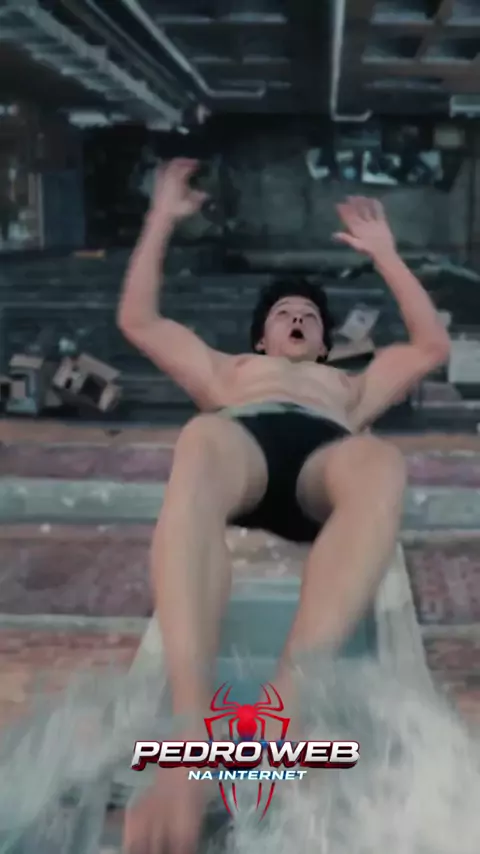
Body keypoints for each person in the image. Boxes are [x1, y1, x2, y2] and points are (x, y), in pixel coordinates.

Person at [118, 158, 450, 853]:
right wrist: (159, 219)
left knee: (381, 461)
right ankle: (189, 735)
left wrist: (386, 253)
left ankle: (286, 704)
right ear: (261, 338)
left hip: (323, 460)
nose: (298, 318)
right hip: (242, 445)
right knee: (201, 436)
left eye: (309, 317)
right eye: (284, 314)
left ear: (325, 343)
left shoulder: (348, 386)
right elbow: (139, 320)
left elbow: (429, 345)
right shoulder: (228, 370)